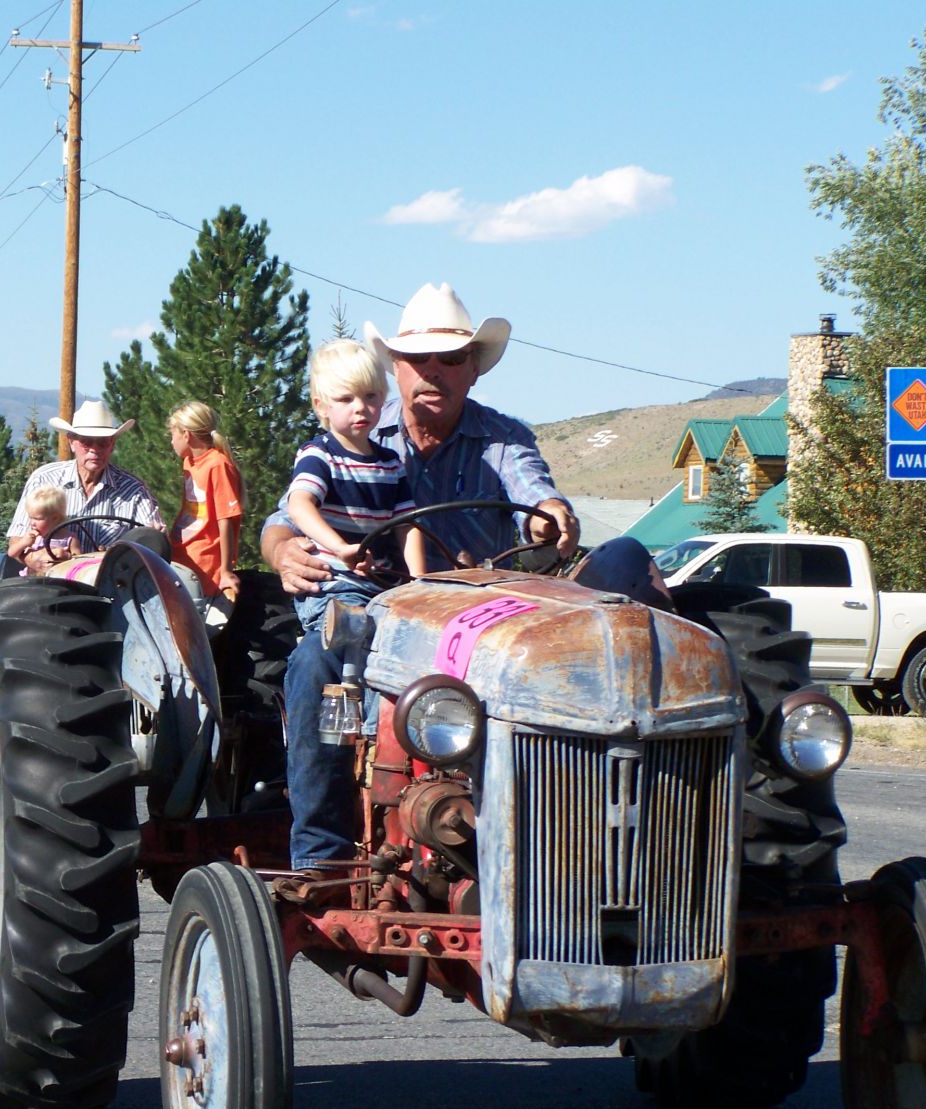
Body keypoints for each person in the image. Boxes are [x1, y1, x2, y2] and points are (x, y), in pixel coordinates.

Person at [263, 283, 667, 875]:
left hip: (484, 623)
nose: (433, 373)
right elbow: (285, 517)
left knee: (623, 570)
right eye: (416, 360)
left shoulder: (503, 439)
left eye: (450, 359)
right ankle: (321, 854)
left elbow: (536, 492)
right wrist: (281, 553)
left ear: (473, 369)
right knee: (316, 666)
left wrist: (551, 516)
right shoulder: (358, 429)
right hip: (379, 612)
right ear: (395, 369)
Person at [284, 341, 426, 633]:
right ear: (321, 405)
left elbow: (406, 526)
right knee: (329, 647)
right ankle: (309, 679)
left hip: (383, 587)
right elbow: (299, 504)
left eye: (370, 396)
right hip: (332, 585)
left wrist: (420, 582)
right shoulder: (319, 456)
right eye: (346, 399)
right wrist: (339, 548)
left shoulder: (391, 463)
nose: (361, 407)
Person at [0, 400, 164, 581]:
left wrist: (156, 534)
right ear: (72, 442)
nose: (94, 450)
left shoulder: (134, 490)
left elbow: (153, 540)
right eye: (86, 443)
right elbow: (16, 541)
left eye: (102, 443)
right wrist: (34, 559)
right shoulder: (44, 479)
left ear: (112, 445)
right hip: (50, 586)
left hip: (112, 588)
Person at [167, 401, 244, 601]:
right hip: (180, 556)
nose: (171, 442)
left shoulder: (217, 464)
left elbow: (225, 520)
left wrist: (226, 571)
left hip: (204, 564)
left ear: (186, 434)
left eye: (172, 435)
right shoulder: (188, 463)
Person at [18, 485, 77, 576]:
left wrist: (67, 556)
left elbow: (79, 560)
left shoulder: (69, 538)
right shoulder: (33, 537)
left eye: (37, 519)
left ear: (55, 518)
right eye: (30, 517)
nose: (32, 523)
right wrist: (23, 543)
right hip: (32, 580)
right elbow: (11, 553)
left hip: (59, 579)